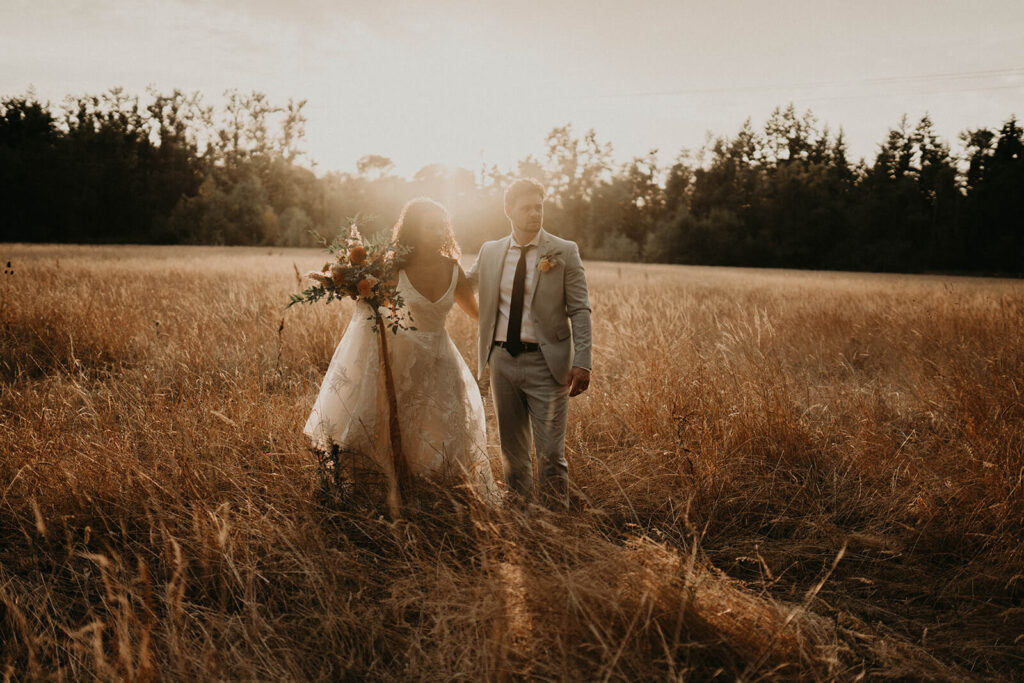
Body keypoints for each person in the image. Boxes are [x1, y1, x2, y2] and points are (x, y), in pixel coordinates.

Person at [303, 198, 498, 502]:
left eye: (441, 226)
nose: (437, 231)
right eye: (429, 226)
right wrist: (346, 284)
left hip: (441, 359)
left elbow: (479, 314)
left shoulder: (452, 267)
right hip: (401, 359)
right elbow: (370, 307)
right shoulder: (393, 268)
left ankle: (440, 494)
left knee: (448, 424)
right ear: (413, 231)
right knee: (398, 427)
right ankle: (395, 492)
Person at [468, 178, 592, 508]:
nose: (535, 214)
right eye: (527, 208)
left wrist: (584, 361)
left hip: (547, 365)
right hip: (501, 362)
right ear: (508, 211)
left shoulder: (564, 251)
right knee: (513, 455)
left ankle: (555, 526)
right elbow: (461, 284)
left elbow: (579, 309)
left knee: (551, 454)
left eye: (539, 207)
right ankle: (521, 522)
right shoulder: (490, 251)